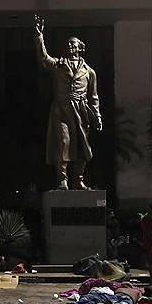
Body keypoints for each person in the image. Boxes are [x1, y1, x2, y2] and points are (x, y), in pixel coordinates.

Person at [34, 14, 103, 190]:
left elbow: (93, 96)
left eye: (73, 44)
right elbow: (44, 58)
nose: (70, 46)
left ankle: (79, 179)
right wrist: (39, 37)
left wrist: (97, 116)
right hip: (62, 108)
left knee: (82, 146)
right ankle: (62, 180)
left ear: (80, 48)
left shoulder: (89, 72)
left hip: (81, 110)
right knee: (63, 143)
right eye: (68, 44)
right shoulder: (59, 64)